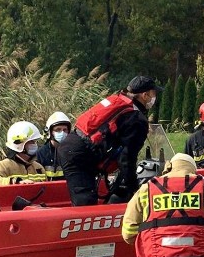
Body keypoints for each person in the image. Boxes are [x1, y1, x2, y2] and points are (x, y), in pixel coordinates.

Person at [58, 76, 161, 206]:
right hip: (80, 155)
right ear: (145, 95)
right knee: (85, 204)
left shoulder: (118, 100)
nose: (154, 97)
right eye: (153, 93)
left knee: (89, 197)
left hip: (74, 145)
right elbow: (127, 158)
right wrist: (134, 188)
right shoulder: (136, 119)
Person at [0, 121, 46, 187]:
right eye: (31, 142)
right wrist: (15, 182)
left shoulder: (38, 167)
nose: (35, 145)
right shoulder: (3, 166)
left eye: (35, 141)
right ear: (19, 144)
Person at [37, 111, 71, 179]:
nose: (62, 133)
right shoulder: (41, 153)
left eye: (65, 130)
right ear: (50, 132)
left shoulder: (73, 151)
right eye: (58, 130)